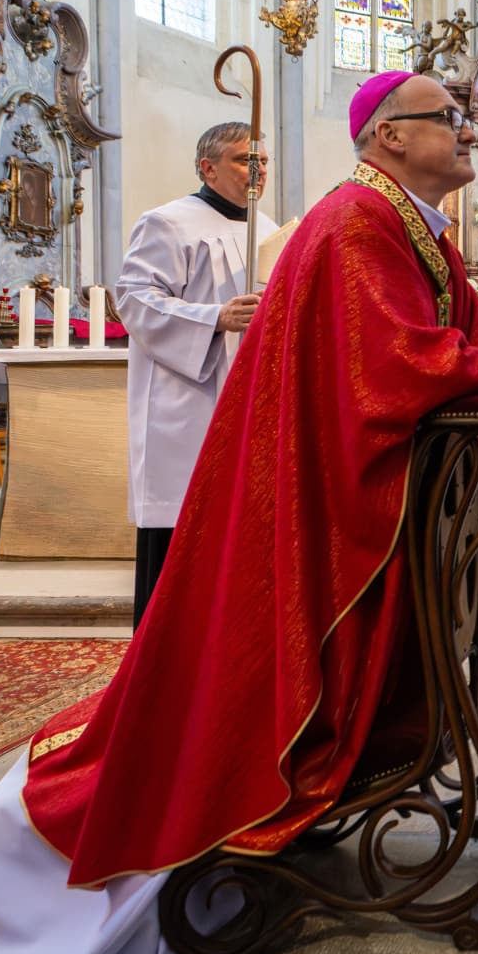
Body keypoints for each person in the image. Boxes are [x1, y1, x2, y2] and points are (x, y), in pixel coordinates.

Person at [0, 71, 478, 954]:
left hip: (349, 493)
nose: (471, 133)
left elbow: (459, 345)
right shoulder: (355, 224)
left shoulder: (406, 224)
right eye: (450, 119)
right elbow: (394, 365)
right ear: (387, 136)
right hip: (316, 501)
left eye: (466, 119)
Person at [115, 122, 278, 628]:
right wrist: (214, 318)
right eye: (242, 160)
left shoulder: (269, 229)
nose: (257, 172)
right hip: (187, 400)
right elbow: (135, 298)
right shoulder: (167, 222)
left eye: (263, 162)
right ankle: (162, 659)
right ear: (206, 167)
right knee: (184, 529)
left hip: (250, 396)